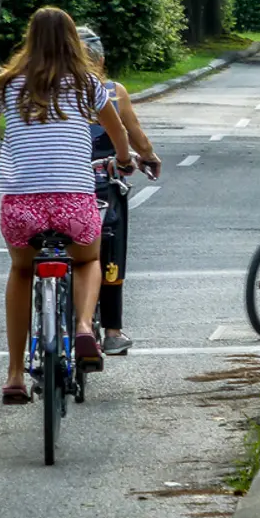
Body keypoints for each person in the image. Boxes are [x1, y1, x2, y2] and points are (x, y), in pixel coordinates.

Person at [0, 7, 135, 405]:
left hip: (21, 204)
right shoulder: (87, 84)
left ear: (30, 39)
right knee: (88, 260)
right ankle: (82, 326)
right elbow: (117, 133)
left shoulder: (5, 85)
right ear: (73, 41)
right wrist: (126, 161)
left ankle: (13, 375)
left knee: (21, 270)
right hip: (73, 199)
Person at [77, 27, 163, 356]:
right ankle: (112, 330)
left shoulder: (48, 90)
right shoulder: (111, 92)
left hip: (50, 185)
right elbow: (134, 134)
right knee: (110, 247)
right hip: (100, 182)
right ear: (100, 60)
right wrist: (148, 157)